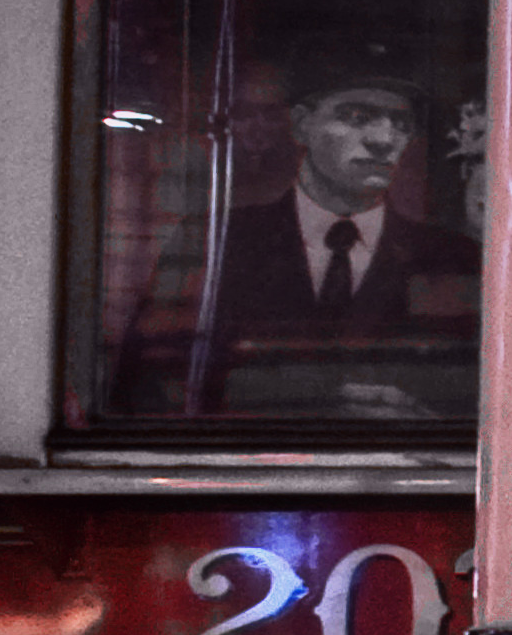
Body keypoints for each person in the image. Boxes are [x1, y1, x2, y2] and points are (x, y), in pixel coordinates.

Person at [186, 73, 482, 419]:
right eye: (357, 117)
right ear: (301, 125)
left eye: (401, 124)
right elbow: (160, 386)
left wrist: (426, 422)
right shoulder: (219, 240)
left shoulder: (454, 257)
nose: (384, 139)